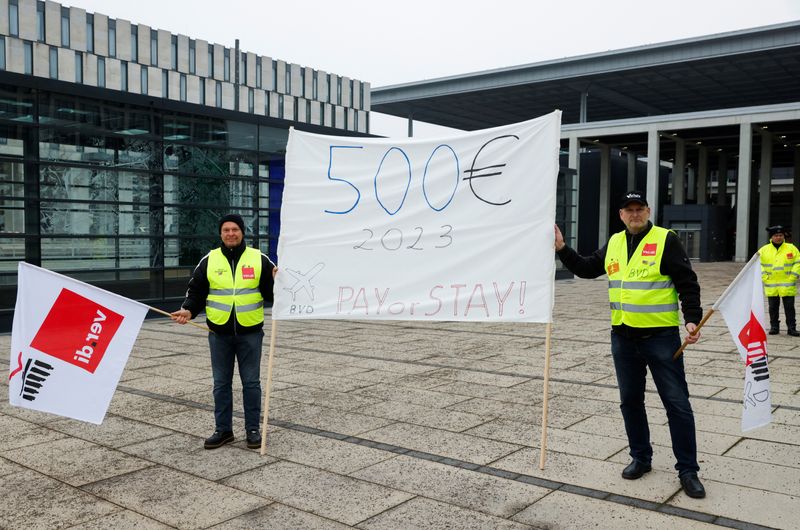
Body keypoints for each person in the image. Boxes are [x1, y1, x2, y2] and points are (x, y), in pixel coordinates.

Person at [554, 191, 706, 499]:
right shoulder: (614, 243)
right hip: (623, 338)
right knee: (630, 401)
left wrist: (692, 319)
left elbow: (687, 283)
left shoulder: (666, 240)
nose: (634, 214)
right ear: (621, 215)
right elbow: (585, 269)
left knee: (677, 404)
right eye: (629, 210)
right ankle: (641, 458)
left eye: (639, 209)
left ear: (648, 211)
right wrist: (562, 249)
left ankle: (688, 470)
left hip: (661, 338)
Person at [171, 214, 275, 449]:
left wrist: (277, 281)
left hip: (250, 332)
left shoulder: (258, 259)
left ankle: (252, 430)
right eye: (226, 230)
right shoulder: (210, 260)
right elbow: (196, 291)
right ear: (221, 234)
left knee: (251, 383)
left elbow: (271, 294)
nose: (230, 234)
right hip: (219, 333)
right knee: (221, 383)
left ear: (242, 232)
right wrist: (188, 310)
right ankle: (224, 430)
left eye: (235, 229)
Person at [759, 225, 800, 336]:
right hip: (771, 284)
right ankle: (774, 327)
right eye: (776, 235)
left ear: (784, 236)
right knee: (773, 308)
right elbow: (758, 265)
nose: (778, 237)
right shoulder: (764, 250)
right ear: (771, 237)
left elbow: (798, 263)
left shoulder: (791, 248)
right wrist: (764, 277)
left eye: (780, 235)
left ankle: (792, 328)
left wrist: (793, 276)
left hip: (788, 284)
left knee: (789, 308)